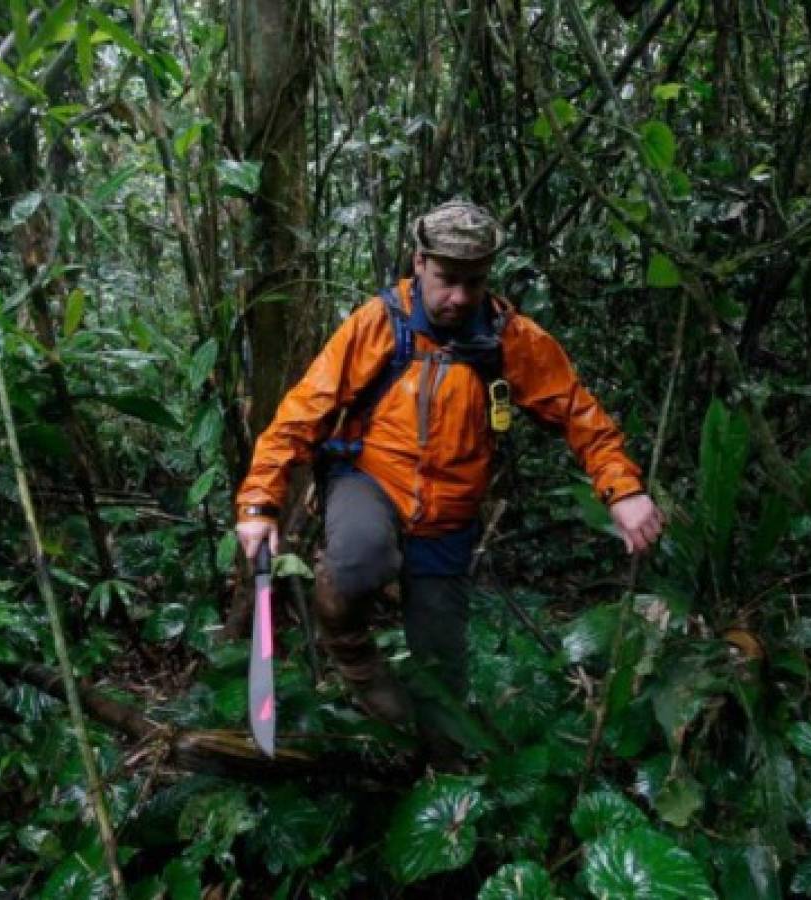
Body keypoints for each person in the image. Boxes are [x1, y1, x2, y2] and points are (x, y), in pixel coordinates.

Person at [234, 200, 663, 739]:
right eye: (446, 280)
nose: (459, 297)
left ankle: (433, 765)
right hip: (370, 481)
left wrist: (622, 490)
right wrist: (259, 503)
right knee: (356, 562)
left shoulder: (512, 340)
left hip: (450, 513)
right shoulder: (378, 324)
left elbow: (578, 413)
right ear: (419, 263)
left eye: (473, 282)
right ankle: (353, 656)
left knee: (442, 672)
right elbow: (303, 412)